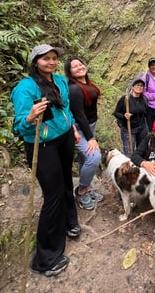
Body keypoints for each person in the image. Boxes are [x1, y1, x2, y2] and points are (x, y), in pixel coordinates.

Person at [11, 44, 80, 277]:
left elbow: (66, 108)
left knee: (67, 183)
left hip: (65, 138)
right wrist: (30, 117)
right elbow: (19, 126)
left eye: (53, 58)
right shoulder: (25, 88)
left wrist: (72, 125)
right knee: (53, 195)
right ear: (35, 62)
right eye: (45, 59)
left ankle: (70, 223)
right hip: (42, 144)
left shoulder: (60, 81)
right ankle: (45, 258)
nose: (51, 62)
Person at [64, 57, 103, 210]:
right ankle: (81, 190)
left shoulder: (85, 83)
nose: (79, 67)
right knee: (94, 156)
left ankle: (87, 189)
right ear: (70, 72)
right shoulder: (74, 88)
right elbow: (79, 115)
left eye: (80, 64)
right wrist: (91, 138)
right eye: (75, 67)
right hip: (79, 129)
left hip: (89, 125)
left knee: (84, 159)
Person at [113, 78, 149, 156]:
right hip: (128, 129)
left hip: (142, 129)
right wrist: (124, 116)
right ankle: (129, 167)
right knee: (129, 152)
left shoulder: (144, 99)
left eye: (141, 86)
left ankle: (139, 167)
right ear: (133, 87)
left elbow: (146, 113)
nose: (139, 87)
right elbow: (116, 113)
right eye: (137, 85)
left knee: (141, 151)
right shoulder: (125, 99)